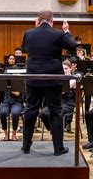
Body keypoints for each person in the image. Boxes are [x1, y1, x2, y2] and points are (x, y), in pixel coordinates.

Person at [21, 9, 76, 156]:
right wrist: (66, 31)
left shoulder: (29, 33)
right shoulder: (58, 34)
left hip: (33, 77)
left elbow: (24, 49)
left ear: (38, 20)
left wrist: (34, 27)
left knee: (31, 110)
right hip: (52, 78)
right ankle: (58, 148)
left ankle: (26, 146)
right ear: (52, 21)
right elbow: (73, 46)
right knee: (55, 111)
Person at [40, 60, 76, 134]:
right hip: (56, 102)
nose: (64, 70)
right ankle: (52, 129)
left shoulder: (73, 79)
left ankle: (56, 132)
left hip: (68, 103)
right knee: (42, 113)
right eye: (63, 69)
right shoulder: (58, 79)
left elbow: (62, 91)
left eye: (66, 68)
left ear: (70, 69)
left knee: (55, 113)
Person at [0, 76, 24, 141]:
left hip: (17, 102)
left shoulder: (18, 82)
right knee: (2, 112)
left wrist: (8, 87)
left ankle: (14, 134)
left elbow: (17, 93)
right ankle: (6, 134)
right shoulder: (3, 82)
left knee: (15, 113)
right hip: (5, 102)